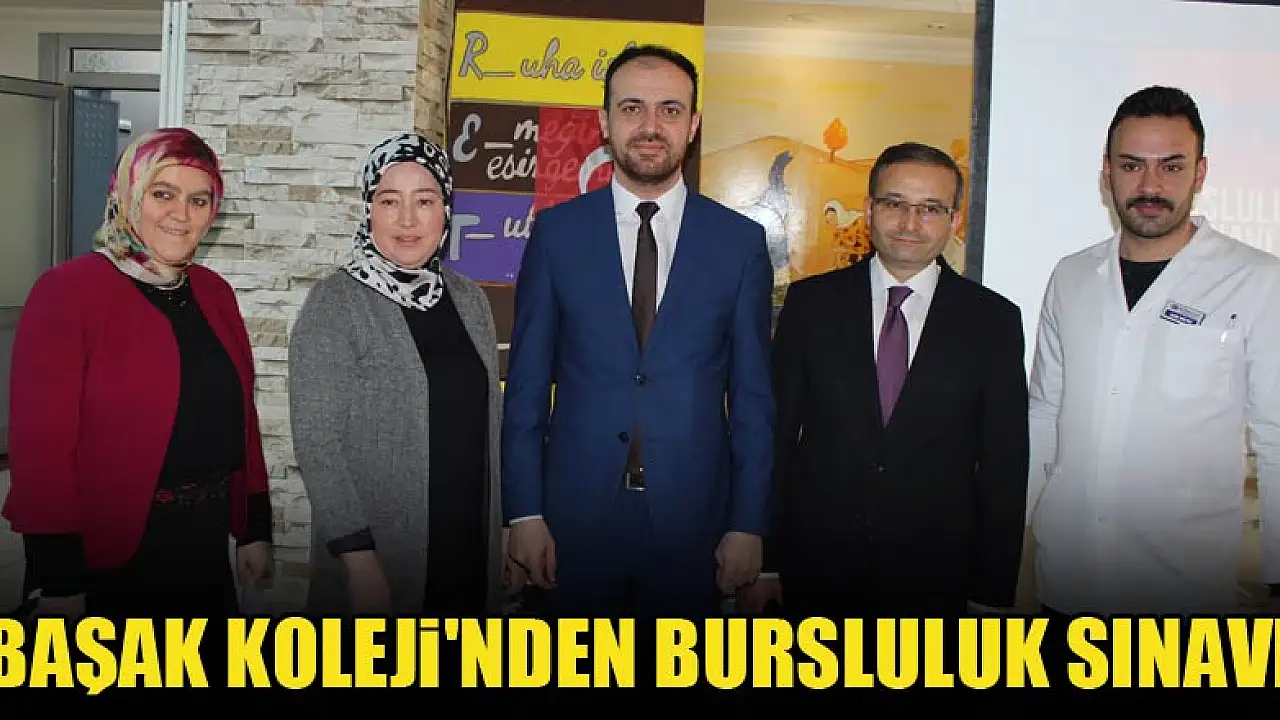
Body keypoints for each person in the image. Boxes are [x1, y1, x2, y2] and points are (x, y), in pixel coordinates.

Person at [502, 44, 774, 620]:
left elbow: (753, 399)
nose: (651, 125)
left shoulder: (739, 244)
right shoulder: (556, 235)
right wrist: (524, 512)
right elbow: (525, 388)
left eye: (670, 110)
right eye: (632, 108)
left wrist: (748, 522)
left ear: (693, 125)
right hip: (572, 524)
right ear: (605, 122)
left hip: (695, 527)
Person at [743, 142, 1029, 619]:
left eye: (930, 209)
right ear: (870, 209)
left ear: (955, 220)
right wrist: (767, 562)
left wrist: (992, 592)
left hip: (936, 580)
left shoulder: (992, 322)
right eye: (895, 203)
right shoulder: (811, 306)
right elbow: (776, 439)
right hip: (815, 571)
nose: (909, 223)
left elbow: (1004, 466)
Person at [1027, 86, 1280, 622]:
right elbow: (1045, 411)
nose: (1149, 185)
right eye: (1131, 165)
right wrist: (1013, 536)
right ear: (1107, 173)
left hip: (1184, 595)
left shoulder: (1259, 281)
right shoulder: (1071, 276)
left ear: (1200, 173)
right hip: (1064, 581)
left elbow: (1276, 435)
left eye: (1171, 166)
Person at [3, 127, 275, 622]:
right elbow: (41, 452)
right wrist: (59, 578)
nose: (181, 214)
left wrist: (254, 529)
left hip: (204, 547)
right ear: (128, 194)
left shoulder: (215, 292)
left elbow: (242, 420)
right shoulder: (67, 292)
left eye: (198, 200)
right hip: (106, 560)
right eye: (163, 194)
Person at [289, 132, 519, 619]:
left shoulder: (469, 299)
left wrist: (501, 528)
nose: (408, 220)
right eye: (390, 201)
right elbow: (318, 443)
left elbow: (489, 427)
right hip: (379, 564)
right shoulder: (335, 304)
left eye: (425, 201)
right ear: (369, 210)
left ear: (446, 211)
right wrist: (358, 558)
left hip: (466, 554)